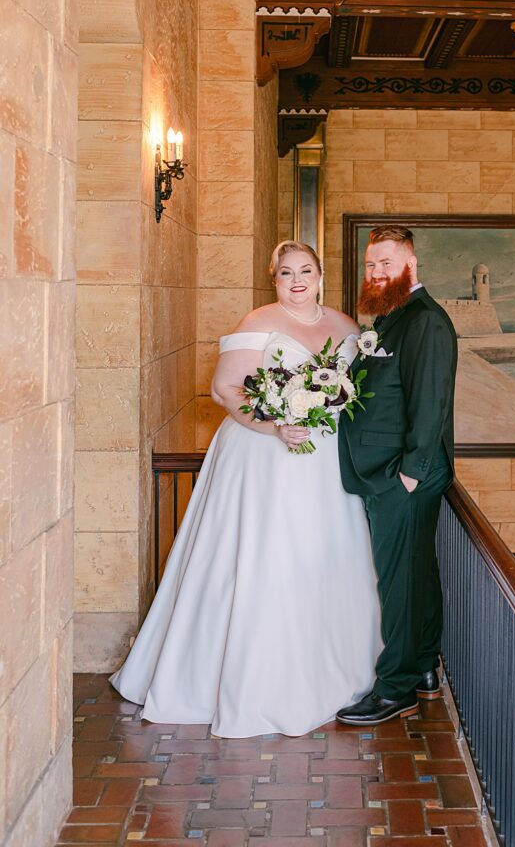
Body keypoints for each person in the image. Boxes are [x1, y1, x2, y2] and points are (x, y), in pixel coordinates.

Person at [111, 241, 382, 737]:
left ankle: (334, 669)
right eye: (285, 273)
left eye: (305, 271)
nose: (296, 280)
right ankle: (249, 681)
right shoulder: (257, 321)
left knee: (325, 554)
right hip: (265, 456)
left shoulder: (347, 327)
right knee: (264, 555)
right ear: (273, 279)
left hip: (326, 460)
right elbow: (225, 389)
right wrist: (275, 425)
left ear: (321, 275)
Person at [336, 225, 458, 725]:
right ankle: (425, 666)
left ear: (412, 264)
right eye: (371, 265)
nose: (377, 272)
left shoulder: (426, 321)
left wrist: (409, 474)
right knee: (416, 573)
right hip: (386, 471)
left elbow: (431, 403)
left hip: (402, 476)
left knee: (398, 584)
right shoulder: (390, 319)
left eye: (387, 263)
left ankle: (396, 689)